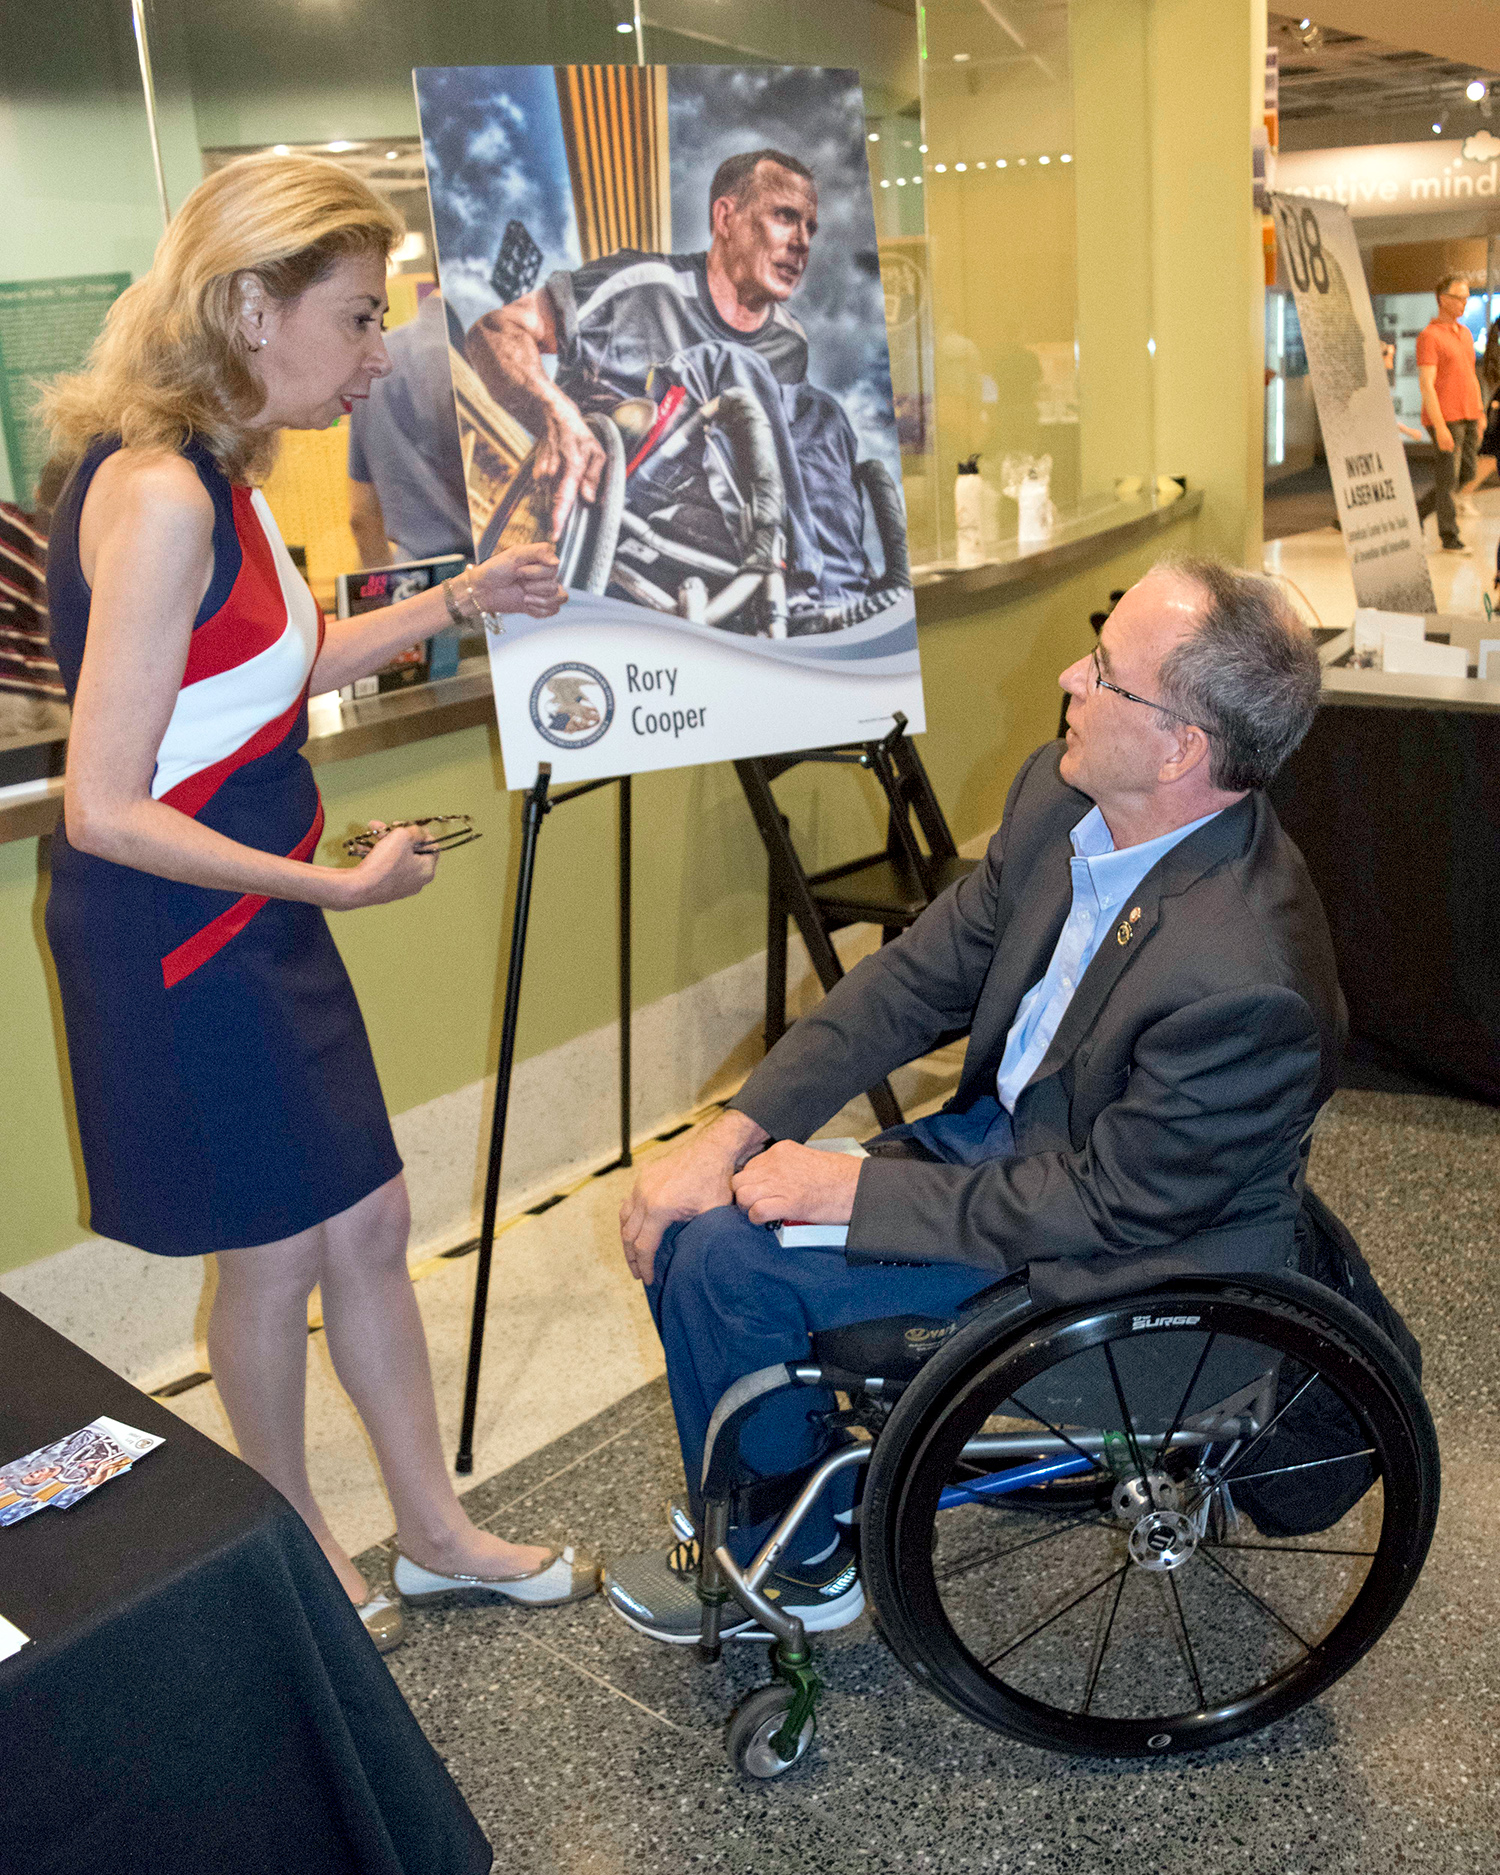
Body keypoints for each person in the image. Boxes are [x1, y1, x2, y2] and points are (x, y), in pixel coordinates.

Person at [39, 151, 599, 1654]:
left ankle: (433, 1530)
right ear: (244, 307)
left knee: (367, 1219)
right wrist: (331, 882)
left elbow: (250, 682)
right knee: (280, 1249)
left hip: (251, 916)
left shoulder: (214, 474)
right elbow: (104, 804)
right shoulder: (158, 493)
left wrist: (453, 603)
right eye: (356, 319)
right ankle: (298, 1538)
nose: (377, 355)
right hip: (182, 933)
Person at [604, 557, 1345, 1641]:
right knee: (705, 1213)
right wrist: (735, 1132)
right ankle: (792, 1505)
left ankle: (803, 1560)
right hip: (1014, 1153)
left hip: (1119, 1252)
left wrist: (843, 1195)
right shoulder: (1064, 798)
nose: (1067, 676)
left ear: (1182, 747)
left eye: (1104, 670)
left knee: (721, 1261)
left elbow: (1109, 1209)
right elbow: (919, 976)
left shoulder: (1245, 981)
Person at [465, 149, 891, 623]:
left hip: (724, 518)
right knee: (731, 364)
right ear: (725, 216)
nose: (801, 242)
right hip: (631, 478)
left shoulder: (789, 341)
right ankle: (799, 592)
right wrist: (555, 412)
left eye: (810, 228)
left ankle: (836, 599)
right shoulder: (640, 284)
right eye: (785, 218)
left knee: (822, 413)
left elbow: (791, 463)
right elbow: (496, 330)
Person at [347, 287, 473, 567]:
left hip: (414, 583)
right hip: (495, 581)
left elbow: (362, 517)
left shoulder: (374, 366)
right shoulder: (480, 355)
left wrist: (389, 593)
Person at [1415, 273, 1483, 551]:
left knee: (1466, 474)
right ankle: (1449, 536)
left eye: (1467, 297)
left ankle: (1416, 513)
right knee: (1447, 478)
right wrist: (1440, 426)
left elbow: (1470, 375)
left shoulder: (1464, 333)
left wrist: (1479, 412)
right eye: (1459, 297)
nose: (1464, 303)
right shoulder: (1429, 336)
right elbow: (1426, 385)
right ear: (1443, 299)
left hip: (1468, 413)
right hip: (1445, 417)